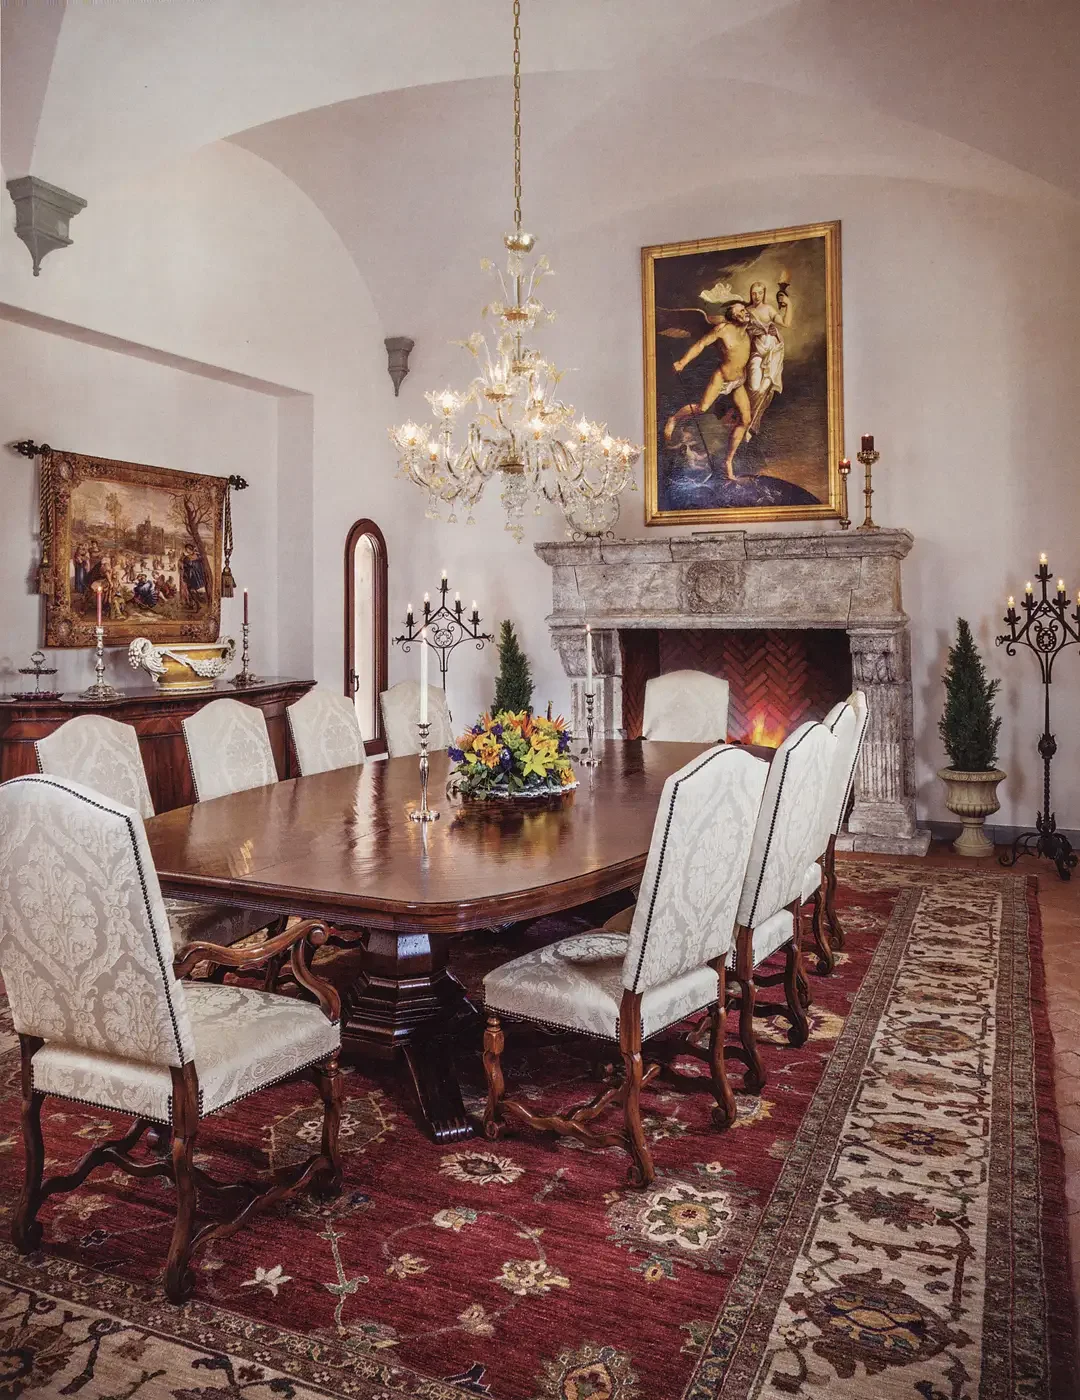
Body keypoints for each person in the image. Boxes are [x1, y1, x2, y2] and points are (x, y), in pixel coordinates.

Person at [663, 300, 753, 479]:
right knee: (702, 408)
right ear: (733, 316)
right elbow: (701, 344)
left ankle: (728, 461)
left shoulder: (748, 330)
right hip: (722, 377)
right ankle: (673, 419)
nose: (745, 313)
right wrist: (682, 362)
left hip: (738, 381)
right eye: (740, 312)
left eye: (744, 310)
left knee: (746, 420)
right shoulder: (723, 329)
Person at [744, 279, 793, 435]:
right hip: (756, 352)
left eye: (760, 293)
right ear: (750, 294)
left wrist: (788, 304)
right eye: (754, 293)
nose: (757, 296)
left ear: (764, 294)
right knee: (754, 387)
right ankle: (745, 416)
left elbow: (786, 323)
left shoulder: (769, 309)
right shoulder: (746, 311)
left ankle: (753, 421)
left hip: (773, 353)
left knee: (764, 389)